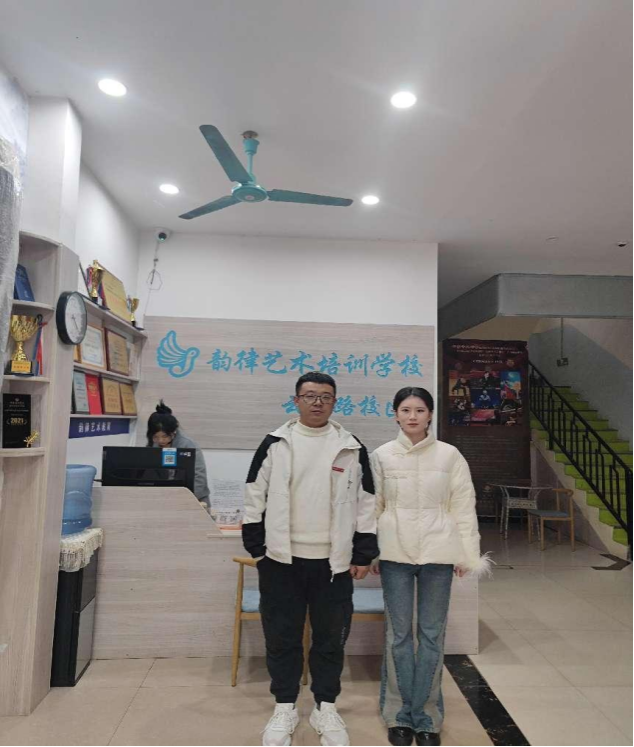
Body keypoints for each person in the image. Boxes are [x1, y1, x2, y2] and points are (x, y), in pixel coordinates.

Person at [243, 372, 379, 747]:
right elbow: (254, 494)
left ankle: (325, 707)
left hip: (333, 565)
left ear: (335, 402)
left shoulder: (351, 446)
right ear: (296, 400)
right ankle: (284, 706)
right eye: (310, 396)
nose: (317, 402)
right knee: (281, 637)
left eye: (325, 396)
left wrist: (363, 552)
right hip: (281, 561)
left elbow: (367, 503)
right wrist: (258, 549)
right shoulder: (275, 443)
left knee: (330, 640)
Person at [371, 387, 491, 747]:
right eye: (405, 409)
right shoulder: (382, 456)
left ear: (430, 415)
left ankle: (426, 716)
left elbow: (463, 505)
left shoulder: (449, 455)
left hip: (439, 554)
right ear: (395, 414)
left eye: (420, 410)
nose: (412, 416)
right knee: (398, 635)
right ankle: (398, 714)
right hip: (394, 554)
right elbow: (372, 507)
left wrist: (467, 553)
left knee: (431, 634)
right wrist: (371, 552)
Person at [147, 401, 210, 508]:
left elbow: (199, 479)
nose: (160, 440)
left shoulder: (188, 445)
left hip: (194, 500)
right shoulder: (153, 445)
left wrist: (182, 500)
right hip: (165, 501)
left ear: (174, 432)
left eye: (165, 436)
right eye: (156, 437)